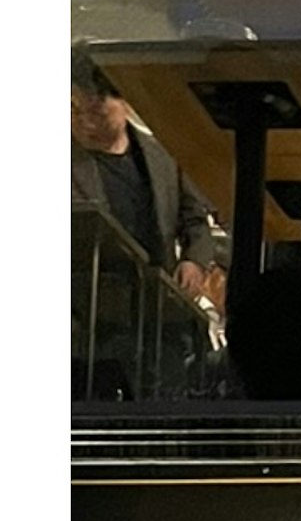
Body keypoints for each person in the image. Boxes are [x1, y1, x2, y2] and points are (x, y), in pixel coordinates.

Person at [71, 49, 227, 319]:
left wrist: (194, 261)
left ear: (126, 104)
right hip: (83, 313)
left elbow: (193, 219)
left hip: (155, 309)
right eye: (74, 109)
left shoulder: (163, 155)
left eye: (97, 112)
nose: (84, 122)